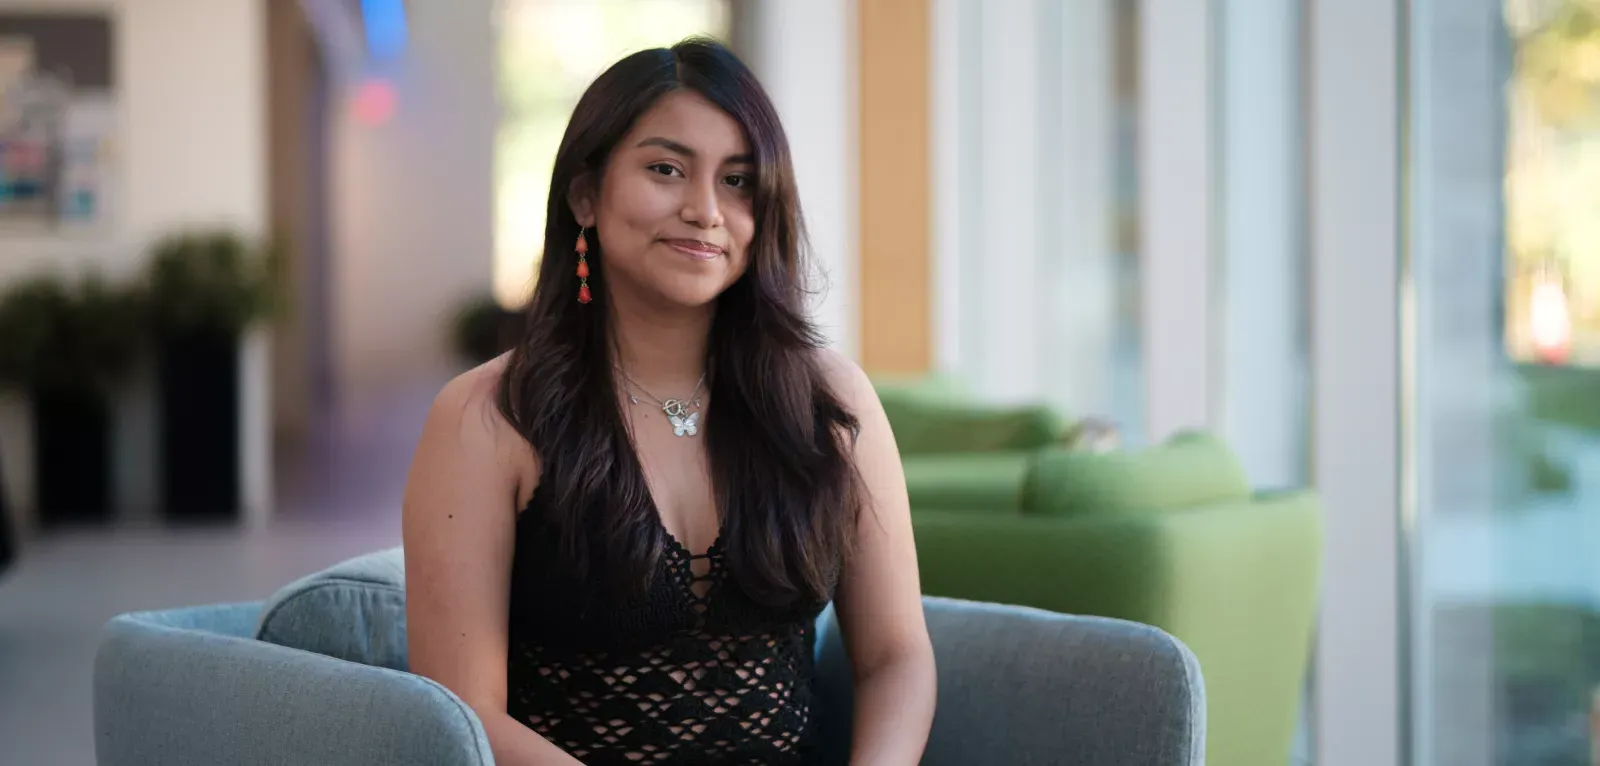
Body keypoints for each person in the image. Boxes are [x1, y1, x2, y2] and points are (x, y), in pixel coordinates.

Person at [402, 39, 936, 765]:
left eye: (740, 181)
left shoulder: (829, 400)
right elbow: (460, 712)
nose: (705, 210)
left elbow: (896, 657)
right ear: (585, 194)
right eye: (665, 169)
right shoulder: (488, 417)